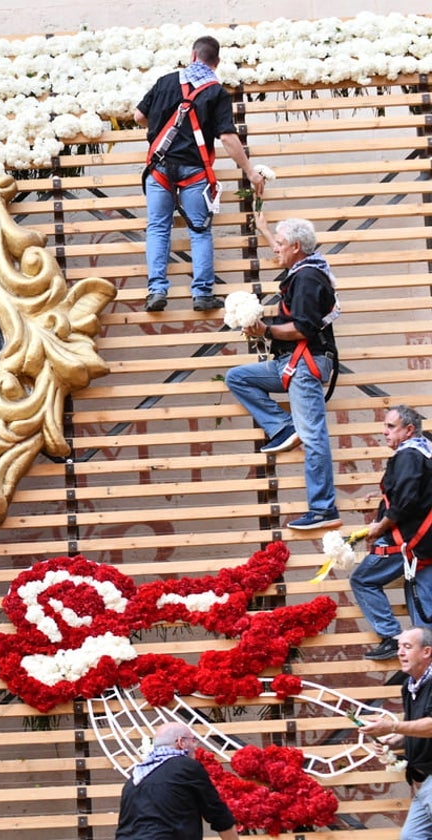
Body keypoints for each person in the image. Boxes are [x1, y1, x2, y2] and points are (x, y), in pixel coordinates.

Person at [134, 35, 266, 313]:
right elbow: (228, 138)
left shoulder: (166, 81)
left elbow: (138, 116)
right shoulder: (216, 92)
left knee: (158, 228)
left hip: (159, 168)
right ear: (215, 63)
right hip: (195, 172)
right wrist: (251, 172)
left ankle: (156, 290)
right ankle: (202, 294)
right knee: (200, 231)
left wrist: (161, 127)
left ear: (193, 55)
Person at [225, 216, 340, 531]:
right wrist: (262, 226)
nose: (275, 249)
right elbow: (282, 247)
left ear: (297, 247)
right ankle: (284, 428)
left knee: (314, 436)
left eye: (280, 243)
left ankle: (322, 509)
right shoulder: (307, 269)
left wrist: (265, 330)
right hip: (293, 363)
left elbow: (303, 327)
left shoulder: (305, 279)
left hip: (303, 363)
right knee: (238, 377)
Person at [350, 406, 432, 660]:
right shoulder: (425, 451)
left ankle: (390, 636)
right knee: (424, 611)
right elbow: (418, 492)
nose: (384, 432)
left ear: (409, 430)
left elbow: (407, 500)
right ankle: (425, 664)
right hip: (424, 543)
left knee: (362, 579)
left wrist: (380, 526)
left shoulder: (408, 455)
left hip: (409, 541)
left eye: (390, 427)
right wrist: (384, 499)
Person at [362, 626, 432, 839]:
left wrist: (392, 727)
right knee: (411, 837)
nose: (400, 652)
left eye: (407, 647)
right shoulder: (408, 686)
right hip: (423, 780)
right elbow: (417, 726)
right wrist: (394, 741)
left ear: (426, 652)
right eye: (399, 646)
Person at [114, 721, 237, 840]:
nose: (196, 746)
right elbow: (217, 814)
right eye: (193, 740)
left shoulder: (135, 778)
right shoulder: (186, 767)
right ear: (181, 742)